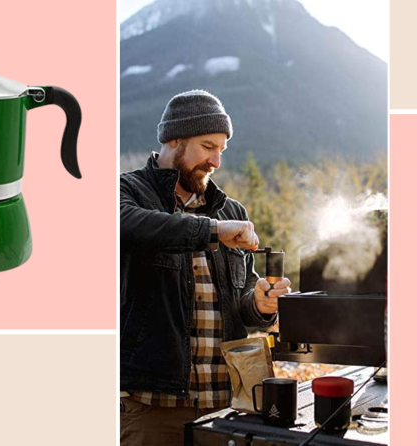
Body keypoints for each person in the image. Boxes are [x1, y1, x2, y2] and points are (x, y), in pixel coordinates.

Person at [119, 90, 292, 445]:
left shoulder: (232, 211)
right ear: (174, 139)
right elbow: (129, 225)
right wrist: (213, 231)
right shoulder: (129, 192)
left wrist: (260, 304)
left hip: (226, 405)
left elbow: (241, 300)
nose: (215, 161)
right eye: (207, 146)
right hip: (153, 407)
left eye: (221, 151)